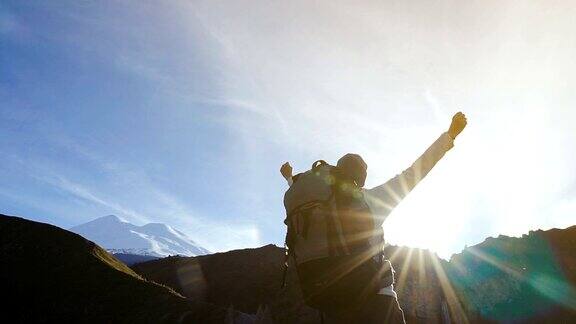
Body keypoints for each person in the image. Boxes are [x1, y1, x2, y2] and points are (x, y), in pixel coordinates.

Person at [280, 112, 467, 323]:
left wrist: (289, 177)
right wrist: (449, 136)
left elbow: (300, 195)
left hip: (330, 306)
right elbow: (414, 173)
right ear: (360, 177)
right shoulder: (370, 201)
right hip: (377, 303)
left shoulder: (317, 208)